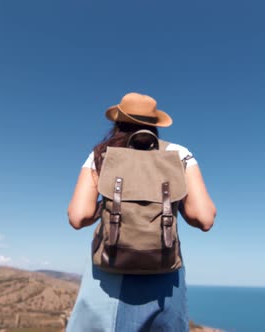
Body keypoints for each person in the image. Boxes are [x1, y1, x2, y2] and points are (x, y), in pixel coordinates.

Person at [66, 92, 216, 332]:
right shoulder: (178, 153)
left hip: (108, 270)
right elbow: (205, 218)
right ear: (155, 125)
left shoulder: (101, 155)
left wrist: (108, 204)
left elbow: (77, 216)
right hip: (162, 271)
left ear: (117, 123)